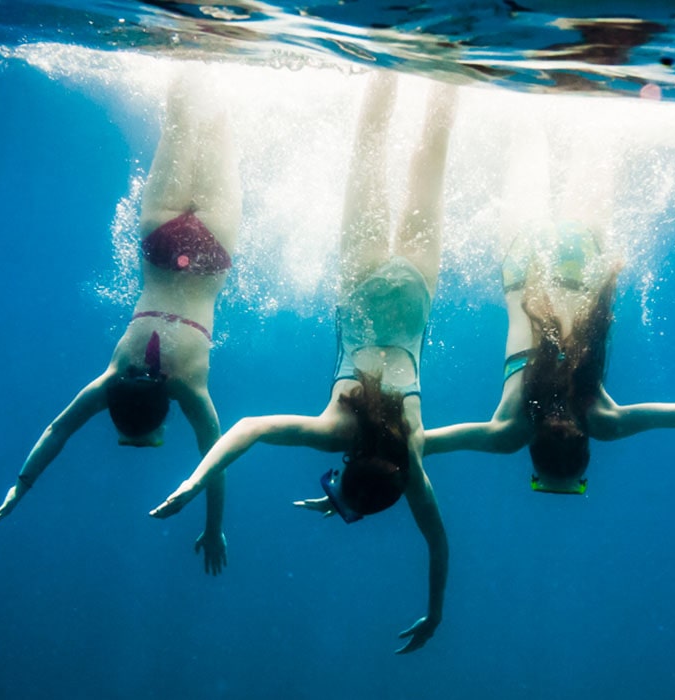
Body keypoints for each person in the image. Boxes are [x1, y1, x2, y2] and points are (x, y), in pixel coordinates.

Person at [149, 72, 458, 654]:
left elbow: (438, 544)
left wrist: (435, 615)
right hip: (362, 280)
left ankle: (445, 64)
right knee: (370, 144)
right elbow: (249, 428)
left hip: (416, 289)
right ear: (347, 465)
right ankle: (386, 59)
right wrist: (195, 481)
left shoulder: (413, 457)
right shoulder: (334, 431)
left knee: (429, 157)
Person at [424, 128, 675, 494]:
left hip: (583, 266)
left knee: (594, 136)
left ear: (586, 452)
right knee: (526, 137)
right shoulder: (506, 433)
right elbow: (417, 443)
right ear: (533, 455)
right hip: (524, 269)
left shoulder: (605, 421)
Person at [0, 72, 242, 576]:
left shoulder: (189, 388)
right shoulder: (114, 376)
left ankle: (215, 54)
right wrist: (20, 485)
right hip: (157, 237)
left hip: (212, 251)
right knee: (179, 113)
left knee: (220, 127)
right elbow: (58, 429)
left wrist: (214, 527)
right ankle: (184, 51)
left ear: (164, 412)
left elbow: (216, 459)